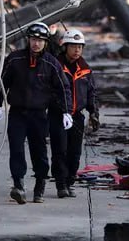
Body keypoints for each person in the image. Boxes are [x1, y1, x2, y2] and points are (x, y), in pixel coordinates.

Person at [0, 21, 73, 204]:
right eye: (33, 39)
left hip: (38, 115)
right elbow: (2, 82)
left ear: (45, 42)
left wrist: (66, 111)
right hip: (17, 113)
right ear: (28, 40)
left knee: (39, 151)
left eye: (40, 40)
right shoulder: (14, 59)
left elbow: (63, 88)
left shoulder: (51, 63)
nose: (36, 43)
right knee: (16, 148)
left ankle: (40, 185)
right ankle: (18, 185)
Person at [49, 27, 99, 198]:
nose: (77, 50)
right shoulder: (55, 66)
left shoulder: (85, 68)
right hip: (58, 116)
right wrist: (61, 110)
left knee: (74, 152)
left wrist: (94, 113)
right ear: (65, 47)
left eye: (80, 47)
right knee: (60, 150)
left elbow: (91, 92)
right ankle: (61, 184)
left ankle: (70, 181)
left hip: (77, 116)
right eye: (73, 46)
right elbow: (50, 91)